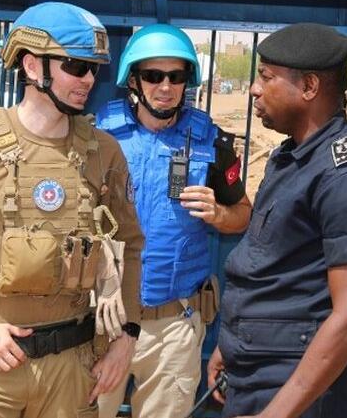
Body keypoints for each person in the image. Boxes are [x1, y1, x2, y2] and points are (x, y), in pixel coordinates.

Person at [0, 2, 145, 418]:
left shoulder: (104, 152)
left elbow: (131, 246)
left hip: (72, 370)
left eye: (93, 68)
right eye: (76, 66)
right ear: (33, 66)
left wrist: (126, 338)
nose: (89, 79)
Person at [207, 23, 347, 418]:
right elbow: (274, 269)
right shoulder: (291, 159)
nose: (254, 89)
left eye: (266, 77)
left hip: (301, 394)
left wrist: (275, 414)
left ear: (310, 86)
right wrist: (230, 347)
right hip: (259, 373)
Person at [95, 25, 251, 418]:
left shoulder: (211, 144)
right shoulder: (97, 138)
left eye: (176, 76)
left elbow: (244, 214)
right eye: (153, 75)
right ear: (134, 80)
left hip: (173, 326)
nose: (165, 87)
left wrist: (219, 214)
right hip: (102, 321)